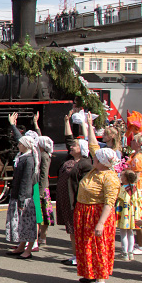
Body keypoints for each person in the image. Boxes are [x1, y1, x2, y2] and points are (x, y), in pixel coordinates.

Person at [73, 118, 120, 283]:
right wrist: (89, 125)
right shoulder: (97, 168)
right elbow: (94, 146)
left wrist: (100, 223)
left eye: (97, 158)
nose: (94, 158)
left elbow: (109, 202)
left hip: (97, 214)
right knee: (86, 245)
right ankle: (90, 273)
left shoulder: (109, 177)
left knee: (98, 246)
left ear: (102, 161)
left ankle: (100, 280)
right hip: (85, 211)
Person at [57, 109, 93, 266]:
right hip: (66, 198)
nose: (72, 147)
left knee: (76, 230)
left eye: (76, 146)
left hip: (76, 200)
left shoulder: (86, 163)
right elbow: (69, 139)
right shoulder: (70, 158)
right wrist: (66, 122)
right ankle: (75, 254)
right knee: (71, 230)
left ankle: (80, 256)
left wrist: (88, 125)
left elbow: (88, 141)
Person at [6, 113, 40, 259]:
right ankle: (21, 245)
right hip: (20, 194)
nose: (18, 144)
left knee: (27, 223)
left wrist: (20, 199)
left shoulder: (29, 160)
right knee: (22, 224)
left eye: (20, 143)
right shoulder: (22, 157)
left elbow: (26, 181)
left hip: (25, 196)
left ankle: (28, 249)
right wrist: (12, 125)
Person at [115, 170, 142, 261]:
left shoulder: (122, 189)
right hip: (133, 213)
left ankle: (124, 252)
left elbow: (119, 198)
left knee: (123, 233)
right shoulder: (136, 188)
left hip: (125, 212)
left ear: (125, 178)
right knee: (131, 232)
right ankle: (130, 252)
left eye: (122, 176)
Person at [36, 135, 55, 250]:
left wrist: (40, 191)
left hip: (42, 189)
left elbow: (44, 174)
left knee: (43, 214)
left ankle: (42, 237)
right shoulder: (43, 154)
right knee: (43, 214)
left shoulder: (44, 156)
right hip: (42, 188)